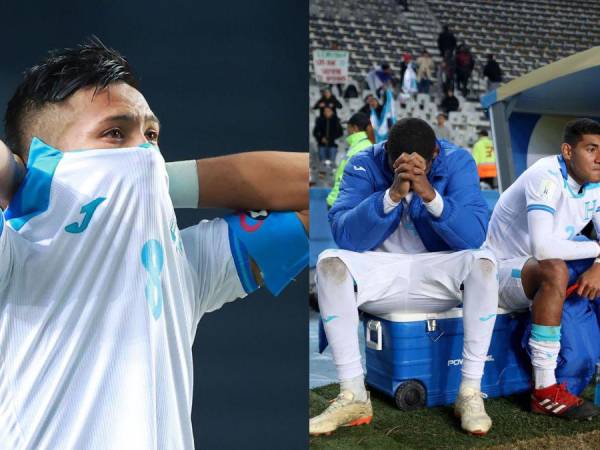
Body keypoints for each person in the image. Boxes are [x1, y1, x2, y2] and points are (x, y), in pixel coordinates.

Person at [0, 38, 309, 449]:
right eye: (114, 133)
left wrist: (161, 182)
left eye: (151, 134)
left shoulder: (186, 266)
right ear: (40, 164)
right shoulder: (15, 255)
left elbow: (315, 193)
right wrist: (20, 182)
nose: (146, 152)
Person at [310, 118, 498, 436]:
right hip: (383, 273)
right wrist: (391, 195)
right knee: (329, 262)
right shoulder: (362, 162)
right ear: (386, 153)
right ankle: (353, 393)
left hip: (436, 270)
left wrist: (429, 193)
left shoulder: (458, 160)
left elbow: (473, 236)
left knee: (483, 261)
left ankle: (469, 392)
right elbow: (346, 236)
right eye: (395, 162)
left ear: (435, 153)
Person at [486, 118, 600, 420]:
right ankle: (544, 390)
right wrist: (599, 250)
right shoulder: (545, 175)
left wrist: (599, 264)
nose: (599, 158)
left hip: (540, 269)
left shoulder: (596, 183)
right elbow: (543, 249)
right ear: (567, 151)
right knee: (554, 269)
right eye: (591, 149)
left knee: (574, 268)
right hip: (499, 273)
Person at [326, 112, 373, 208]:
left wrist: (335, 201)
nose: (347, 129)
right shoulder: (361, 145)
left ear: (355, 128)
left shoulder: (360, 148)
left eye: (348, 126)